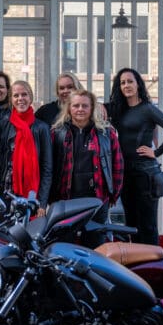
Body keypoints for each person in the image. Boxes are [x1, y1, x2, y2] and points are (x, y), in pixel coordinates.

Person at [107, 68, 163, 246]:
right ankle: (137, 266)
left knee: (147, 226)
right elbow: (95, 108)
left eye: (130, 81)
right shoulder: (119, 109)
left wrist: (156, 152)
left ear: (138, 84)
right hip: (126, 173)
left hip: (145, 174)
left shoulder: (147, 108)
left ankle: (153, 267)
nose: (126, 85)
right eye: (123, 82)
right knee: (131, 224)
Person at [50, 89, 123, 247]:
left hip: (97, 199)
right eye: (76, 105)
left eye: (85, 105)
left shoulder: (106, 134)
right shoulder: (58, 133)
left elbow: (117, 165)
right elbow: (50, 167)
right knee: (64, 245)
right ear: (69, 108)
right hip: (67, 200)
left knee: (95, 245)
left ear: (92, 108)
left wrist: (112, 195)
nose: (80, 109)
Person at [0, 80, 52, 211]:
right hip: (4, 192)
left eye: (24, 95)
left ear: (30, 98)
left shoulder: (41, 128)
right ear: (11, 99)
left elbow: (47, 168)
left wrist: (42, 203)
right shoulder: (3, 124)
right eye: (16, 95)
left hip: (30, 196)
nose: (20, 99)